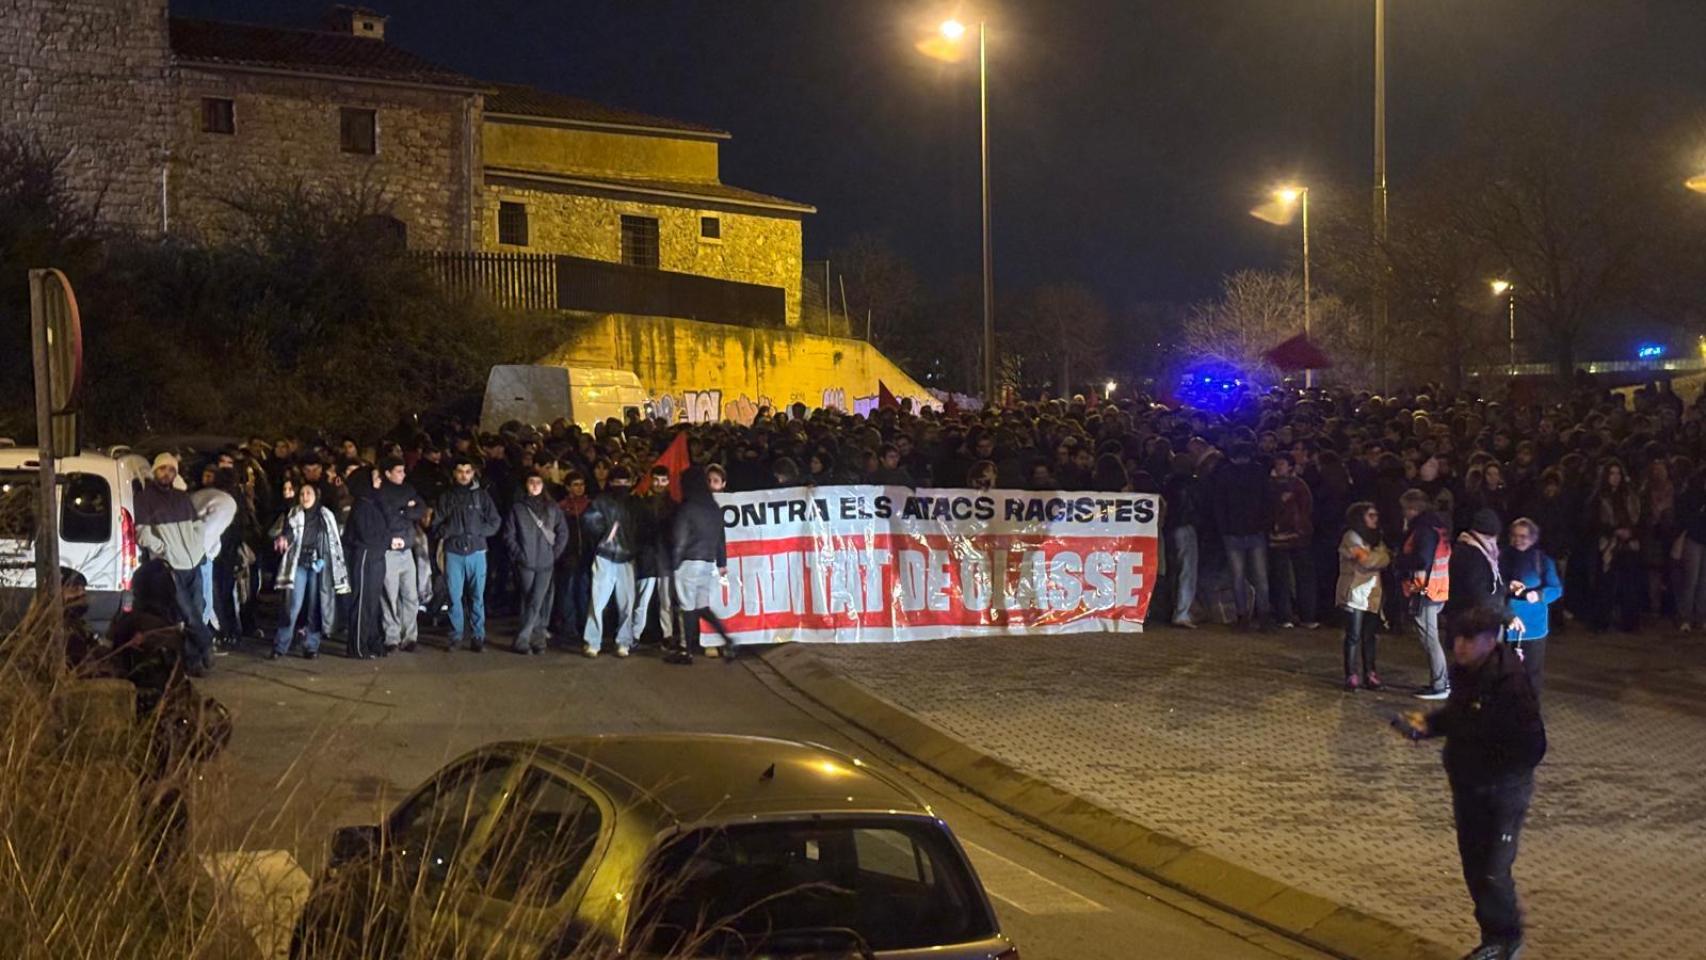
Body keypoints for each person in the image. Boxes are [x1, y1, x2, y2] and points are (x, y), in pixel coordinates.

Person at [1394, 605, 1546, 960]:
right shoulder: (1466, 672)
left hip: (1501, 791)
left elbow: (1532, 746)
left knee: (1493, 870)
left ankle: (1507, 940)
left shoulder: (1510, 684)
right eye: (1457, 638)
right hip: (1468, 786)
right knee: (1474, 867)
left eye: (1469, 639)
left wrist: (1493, 764)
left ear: (1490, 641)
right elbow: (1458, 716)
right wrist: (1428, 726)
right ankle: (1493, 937)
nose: (1460, 646)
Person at [134, 452, 214, 676]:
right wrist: (164, 550)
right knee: (186, 612)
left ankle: (193, 661)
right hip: (170, 565)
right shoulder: (145, 499)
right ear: (154, 471)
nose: (167, 474)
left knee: (197, 609)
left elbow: (197, 525)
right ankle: (206, 643)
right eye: (163, 469)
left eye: (171, 470)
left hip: (192, 562)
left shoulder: (181, 497)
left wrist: (196, 548)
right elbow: (142, 534)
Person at [268, 483, 350, 660]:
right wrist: (284, 539)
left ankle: (311, 646)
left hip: (318, 565)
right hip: (298, 563)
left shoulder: (325, 516)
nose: (305, 497)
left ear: (316, 495)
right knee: (292, 606)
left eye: (308, 493)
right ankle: (280, 646)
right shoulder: (294, 513)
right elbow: (288, 531)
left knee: (315, 606)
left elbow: (333, 542)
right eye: (302, 493)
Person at [431, 457, 502, 652]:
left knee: (477, 597)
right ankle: (456, 636)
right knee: (454, 597)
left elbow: (495, 521)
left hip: (477, 552)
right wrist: (449, 530)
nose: (464, 475)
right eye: (460, 471)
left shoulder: (481, 496)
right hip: (453, 552)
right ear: (454, 473)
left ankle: (478, 636)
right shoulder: (446, 497)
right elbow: (435, 525)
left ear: (473, 473)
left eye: (468, 471)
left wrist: (478, 532)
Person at [666, 466, 731, 665]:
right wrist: (721, 562)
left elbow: (680, 540)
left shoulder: (687, 508)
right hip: (708, 563)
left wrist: (674, 564)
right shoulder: (713, 508)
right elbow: (720, 538)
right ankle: (727, 639)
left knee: (686, 608)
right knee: (702, 607)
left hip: (688, 562)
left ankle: (686, 651)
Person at [504, 470, 570, 654]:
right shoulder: (518, 508)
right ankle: (537, 640)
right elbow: (509, 535)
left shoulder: (552, 508)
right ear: (526, 485)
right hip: (526, 562)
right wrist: (519, 554)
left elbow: (563, 532)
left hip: (545, 562)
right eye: (531, 482)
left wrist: (553, 554)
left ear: (543, 485)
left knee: (536, 599)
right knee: (531, 600)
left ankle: (523, 639)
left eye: (538, 482)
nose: (534, 486)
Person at [1210, 441, 1274, 629]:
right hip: (1256, 530)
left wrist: (1223, 528)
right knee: (1261, 576)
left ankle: (1242, 615)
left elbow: (1218, 504)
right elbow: (1268, 501)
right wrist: (1265, 524)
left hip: (1232, 531)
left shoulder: (1224, 474)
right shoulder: (1259, 472)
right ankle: (1264, 615)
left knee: (1237, 576)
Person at [1397, 488, 1453, 700]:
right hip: (1436, 587)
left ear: (1413, 509)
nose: (1404, 513)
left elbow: (1421, 560)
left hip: (1426, 590)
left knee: (1430, 638)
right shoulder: (1436, 525)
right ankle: (1440, 682)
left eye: (1405, 509)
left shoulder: (1424, 529)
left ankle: (1440, 685)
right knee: (1430, 637)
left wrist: (1400, 560)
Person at [1500, 518, 1563, 695]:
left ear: (1533, 538)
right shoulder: (1502, 557)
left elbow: (1556, 589)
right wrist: (1507, 586)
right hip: (1507, 625)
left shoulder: (1542, 560)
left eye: (1523, 536)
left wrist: (1539, 595)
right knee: (1504, 672)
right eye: (1514, 535)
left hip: (1533, 628)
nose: (1518, 540)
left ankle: (1530, 705)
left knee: (1531, 674)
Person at [581, 465, 638, 658]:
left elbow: (645, 527)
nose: (621, 485)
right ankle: (593, 641)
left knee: (626, 603)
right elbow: (589, 522)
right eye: (617, 481)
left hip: (627, 557)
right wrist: (605, 533)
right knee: (598, 601)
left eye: (625, 482)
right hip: (605, 555)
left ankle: (623, 642)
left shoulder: (634, 503)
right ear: (610, 482)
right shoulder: (601, 502)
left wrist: (635, 544)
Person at [1335, 501, 1390, 690]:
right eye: (1370, 515)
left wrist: (1379, 557)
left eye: (1376, 515)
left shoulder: (1377, 538)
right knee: (1353, 635)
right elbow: (1367, 561)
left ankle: (1370, 673)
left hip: (1372, 594)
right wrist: (1379, 557)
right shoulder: (1351, 537)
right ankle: (1351, 674)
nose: (1375, 519)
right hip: (1354, 593)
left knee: (1370, 636)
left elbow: (1385, 559)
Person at [376, 457, 426, 653]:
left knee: (410, 595)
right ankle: (392, 637)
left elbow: (420, 509)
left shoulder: (408, 489)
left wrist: (404, 511)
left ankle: (409, 636)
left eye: (403, 470)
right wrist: (407, 508)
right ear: (388, 473)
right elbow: (386, 517)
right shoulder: (381, 493)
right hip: (389, 551)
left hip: (406, 549)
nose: (403, 474)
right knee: (389, 596)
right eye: (398, 471)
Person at [342, 467, 390, 659]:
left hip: (376, 555)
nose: (380, 480)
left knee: (373, 602)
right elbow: (368, 535)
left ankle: (373, 641)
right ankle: (357, 646)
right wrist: (387, 540)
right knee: (363, 602)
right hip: (365, 556)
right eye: (376, 477)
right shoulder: (362, 505)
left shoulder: (374, 501)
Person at [628, 464, 676, 650]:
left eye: (663, 480)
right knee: (642, 600)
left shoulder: (673, 505)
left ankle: (667, 635)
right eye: (656, 480)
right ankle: (634, 635)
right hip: (647, 557)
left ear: (668, 481)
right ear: (651, 480)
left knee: (666, 602)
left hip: (665, 558)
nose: (659, 484)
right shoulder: (640, 504)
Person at [1268, 451, 1316, 629]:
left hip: (1296, 537)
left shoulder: (1299, 486)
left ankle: (1306, 615)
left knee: (1302, 577)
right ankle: (1285, 615)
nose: (1279, 467)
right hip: (1279, 537)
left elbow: (1306, 508)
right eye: (1277, 464)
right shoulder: (1271, 486)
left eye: (1282, 464)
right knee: (1281, 577)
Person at [552, 470, 595, 644]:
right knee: (567, 592)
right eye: (575, 485)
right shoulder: (561, 507)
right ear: (568, 487)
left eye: (581, 484)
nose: (579, 488)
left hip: (586, 556)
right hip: (567, 557)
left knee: (584, 592)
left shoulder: (590, 506)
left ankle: (584, 626)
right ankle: (569, 627)